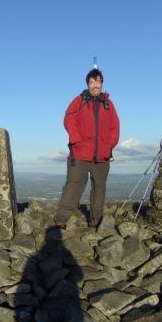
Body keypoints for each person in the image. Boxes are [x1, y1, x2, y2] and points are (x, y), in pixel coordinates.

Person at [54, 68, 120, 228]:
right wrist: (77, 141)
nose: (95, 85)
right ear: (88, 83)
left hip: (102, 156)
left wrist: (109, 144)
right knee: (73, 186)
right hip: (80, 154)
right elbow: (69, 120)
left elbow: (115, 126)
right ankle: (61, 220)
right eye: (92, 82)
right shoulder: (79, 101)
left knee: (99, 188)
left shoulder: (108, 104)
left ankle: (96, 220)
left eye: (97, 81)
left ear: (101, 83)